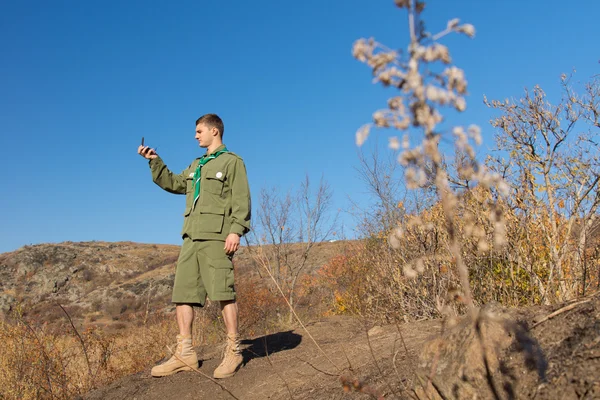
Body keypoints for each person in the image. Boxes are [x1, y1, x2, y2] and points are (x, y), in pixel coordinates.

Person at [137, 113, 251, 379]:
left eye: (199, 131)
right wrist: (155, 162)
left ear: (214, 131)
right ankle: (185, 353)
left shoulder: (232, 162)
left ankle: (233, 350)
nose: (195, 135)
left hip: (217, 236)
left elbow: (241, 197)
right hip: (190, 237)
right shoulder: (197, 165)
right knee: (183, 294)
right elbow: (175, 183)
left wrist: (236, 230)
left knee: (223, 291)